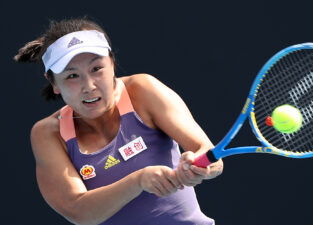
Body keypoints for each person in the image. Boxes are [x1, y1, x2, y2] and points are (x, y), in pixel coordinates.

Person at [14, 18, 223, 225]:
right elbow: (80, 212)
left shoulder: (143, 90)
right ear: (54, 84)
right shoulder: (48, 133)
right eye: (72, 76)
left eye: (96, 69)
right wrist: (138, 181)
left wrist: (199, 167)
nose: (88, 86)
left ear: (112, 63)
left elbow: (208, 153)